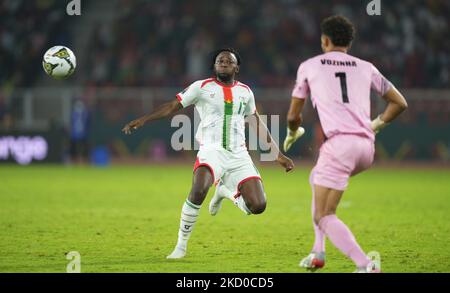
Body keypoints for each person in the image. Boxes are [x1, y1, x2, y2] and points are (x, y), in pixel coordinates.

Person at [122, 48, 294, 259]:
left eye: (228, 61)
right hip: (211, 151)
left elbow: (256, 122)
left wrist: (277, 154)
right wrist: (144, 119)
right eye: (219, 60)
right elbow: (172, 105)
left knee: (258, 206)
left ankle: (224, 192)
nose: (223, 62)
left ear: (236, 67)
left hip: (239, 154)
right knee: (199, 189)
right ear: (214, 66)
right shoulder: (201, 87)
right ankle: (181, 246)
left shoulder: (246, 92)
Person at [283, 15, 407, 272]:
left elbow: (294, 115)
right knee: (316, 177)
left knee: (325, 215)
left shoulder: (309, 66)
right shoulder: (366, 67)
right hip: (365, 147)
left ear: (324, 40)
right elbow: (399, 103)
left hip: (339, 146)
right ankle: (318, 253)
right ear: (349, 43)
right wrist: (375, 125)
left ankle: (366, 265)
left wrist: (292, 132)